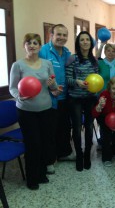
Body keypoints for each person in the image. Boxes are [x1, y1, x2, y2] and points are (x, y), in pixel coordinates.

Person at [9, 33, 58, 190]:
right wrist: (19, 97)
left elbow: (54, 87)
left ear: (40, 46)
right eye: (29, 42)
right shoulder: (18, 65)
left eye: (35, 43)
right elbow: (12, 87)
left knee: (44, 142)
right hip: (26, 111)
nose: (32, 45)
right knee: (33, 144)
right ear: (24, 46)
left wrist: (52, 84)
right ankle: (32, 178)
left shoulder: (47, 63)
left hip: (46, 109)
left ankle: (42, 174)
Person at [39, 24, 74, 175]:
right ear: (51, 35)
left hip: (65, 97)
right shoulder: (43, 51)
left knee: (64, 128)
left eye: (64, 35)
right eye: (58, 34)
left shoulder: (67, 53)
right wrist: (52, 89)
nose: (62, 38)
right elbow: (38, 74)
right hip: (49, 98)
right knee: (49, 131)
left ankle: (64, 153)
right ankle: (49, 160)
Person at [65, 31, 98, 172]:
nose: (85, 42)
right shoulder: (72, 58)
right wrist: (77, 82)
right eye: (82, 40)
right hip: (75, 98)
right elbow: (67, 80)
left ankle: (87, 156)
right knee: (77, 128)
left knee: (90, 126)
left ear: (91, 43)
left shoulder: (94, 60)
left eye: (87, 40)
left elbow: (96, 80)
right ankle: (79, 155)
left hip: (90, 98)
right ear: (78, 43)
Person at [91, 77, 115, 166]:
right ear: (109, 88)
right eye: (114, 89)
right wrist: (99, 105)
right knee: (106, 136)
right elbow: (94, 114)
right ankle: (106, 158)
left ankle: (113, 150)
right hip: (103, 117)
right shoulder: (104, 94)